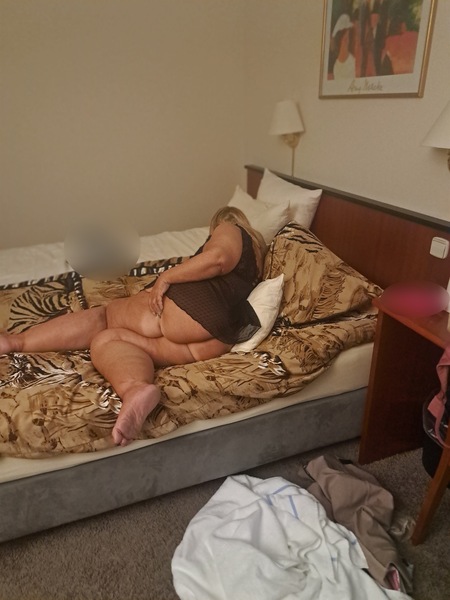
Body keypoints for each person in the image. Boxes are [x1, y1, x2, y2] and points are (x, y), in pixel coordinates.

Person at [0, 207, 266, 447]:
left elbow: (217, 258)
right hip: (215, 340)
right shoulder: (255, 267)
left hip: (191, 308)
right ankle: (136, 389)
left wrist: (165, 278)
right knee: (108, 340)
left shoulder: (231, 226)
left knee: (106, 317)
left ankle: (15, 342)